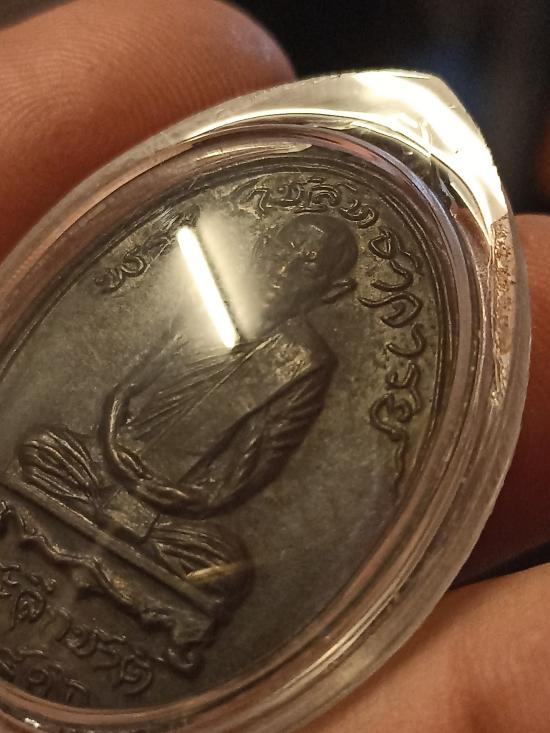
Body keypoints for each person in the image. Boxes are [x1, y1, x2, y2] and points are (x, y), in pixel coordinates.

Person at [1, 1, 550, 730]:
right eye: (285, 253)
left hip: (182, 517)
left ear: (327, 287)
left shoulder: (304, 361)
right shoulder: (211, 302)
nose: (290, 268)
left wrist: (179, 496)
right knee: (38, 449)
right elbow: (136, 387)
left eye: (309, 265)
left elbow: (256, 464)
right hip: (105, 467)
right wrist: (122, 454)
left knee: (225, 574)